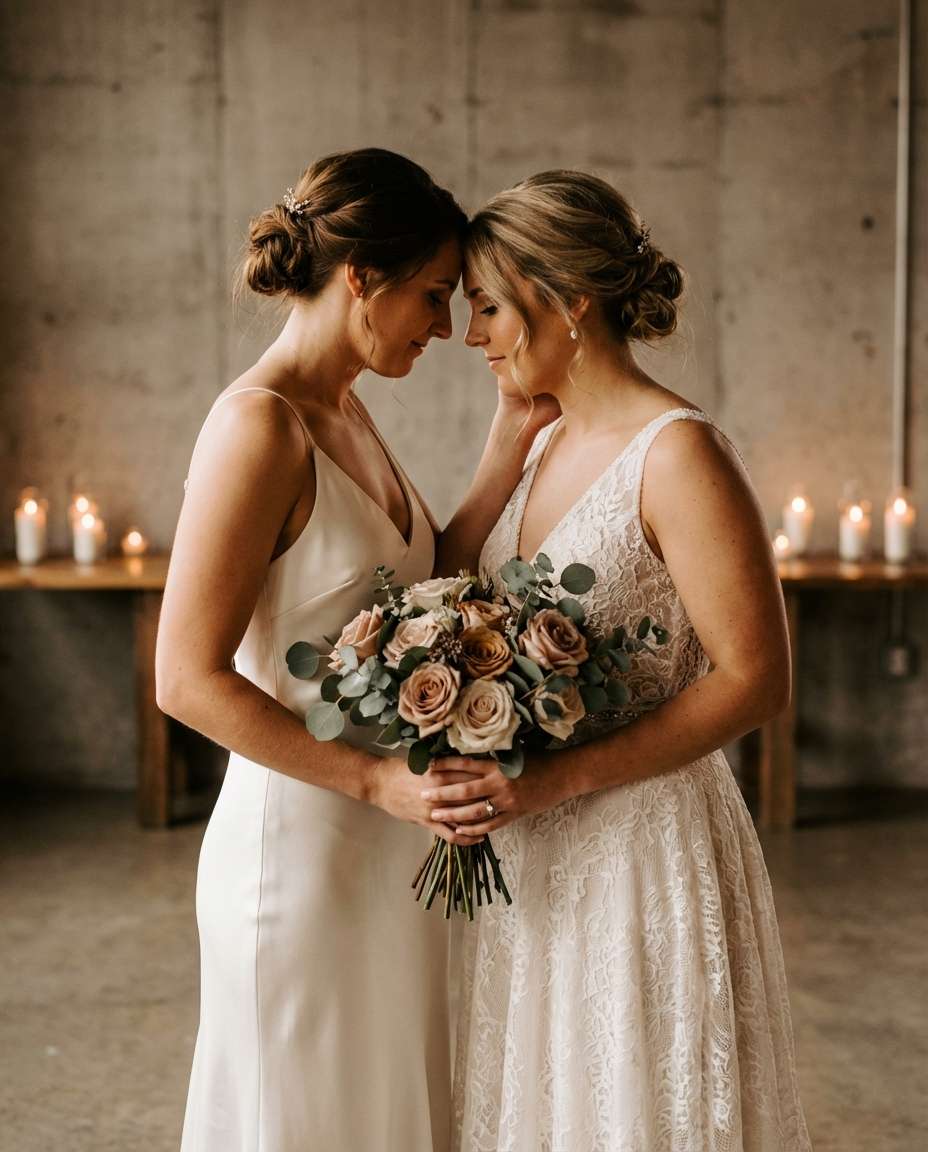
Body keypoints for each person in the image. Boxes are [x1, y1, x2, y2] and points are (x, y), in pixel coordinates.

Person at [156, 148, 544, 1152]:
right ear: (363, 277)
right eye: (433, 294)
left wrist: (506, 445)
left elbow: (415, 586)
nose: (446, 327)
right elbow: (185, 679)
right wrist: (375, 783)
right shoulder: (258, 426)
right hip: (299, 850)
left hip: (388, 847)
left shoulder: (348, 408)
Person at [427, 171, 812, 1151]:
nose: (470, 336)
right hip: (535, 850)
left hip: (642, 846)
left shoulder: (678, 454)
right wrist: (500, 450)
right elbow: (448, 590)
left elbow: (755, 678)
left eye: (488, 307)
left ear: (566, 300)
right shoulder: (540, 438)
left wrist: (554, 782)